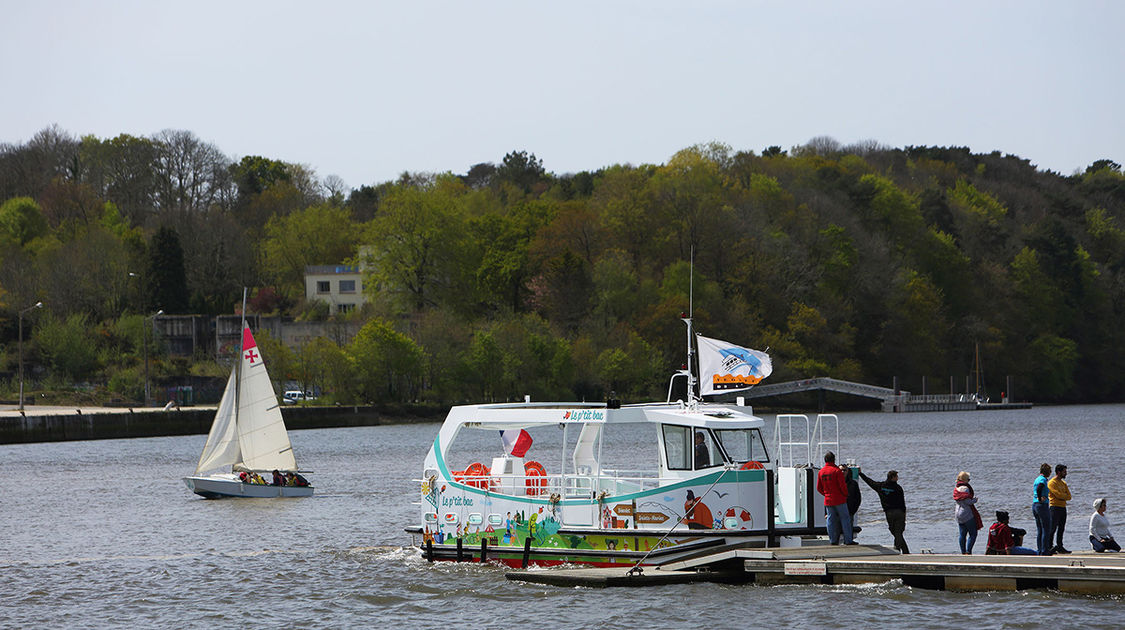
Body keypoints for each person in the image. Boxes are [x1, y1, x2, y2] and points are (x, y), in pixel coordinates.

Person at [859, 469, 909, 553]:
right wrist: (904, 514)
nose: (898, 478)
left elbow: (870, 482)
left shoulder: (881, 486)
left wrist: (861, 474)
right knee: (898, 532)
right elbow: (902, 503)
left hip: (889, 513)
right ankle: (901, 550)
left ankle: (902, 550)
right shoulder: (898, 488)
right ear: (892, 477)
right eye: (897, 476)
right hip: (898, 512)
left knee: (896, 532)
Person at [817, 451, 854, 545]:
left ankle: (832, 540)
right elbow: (842, 486)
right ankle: (848, 540)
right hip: (839, 499)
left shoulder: (821, 471)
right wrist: (845, 494)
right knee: (845, 519)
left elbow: (819, 488)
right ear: (834, 459)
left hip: (828, 500)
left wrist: (826, 494)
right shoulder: (836, 471)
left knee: (830, 520)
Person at [953, 471, 982, 554]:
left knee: (962, 534)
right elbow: (967, 501)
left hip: (958, 513)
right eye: (968, 479)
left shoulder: (956, 488)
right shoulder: (965, 488)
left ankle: (963, 551)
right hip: (966, 513)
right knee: (973, 533)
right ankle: (968, 551)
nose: (969, 481)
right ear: (965, 480)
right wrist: (975, 500)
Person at [1048, 464, 1072, 554]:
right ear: (1059, 472)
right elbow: (1058, 495)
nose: (1066, 473)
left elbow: (1069, 496)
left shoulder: (1063, 483)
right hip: (1054, 507)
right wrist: (1063, 496)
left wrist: (1063, 496)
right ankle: (1049, 546)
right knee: (1052, 528)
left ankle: (1060, 546)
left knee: (1061, 528)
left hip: (1063, 507)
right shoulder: (1052, 483)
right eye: (1064, 472)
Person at [1032, 463, 1053, 555]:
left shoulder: (1036, 479)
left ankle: (1040, 549)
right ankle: (1045, 550)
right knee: (1046, 528)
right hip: (1042, 505)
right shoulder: (1043, 480)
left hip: (1035, 505)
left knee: (1040, 529)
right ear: (1047, 472)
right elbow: (1040, 488)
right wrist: (1040, 497)